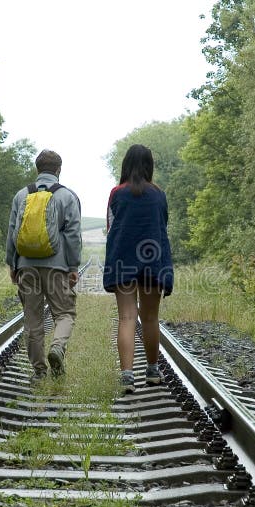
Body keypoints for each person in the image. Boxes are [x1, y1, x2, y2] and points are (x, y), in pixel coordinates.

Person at [6, 149, 82, 383]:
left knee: (33, 319)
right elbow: (72, 235)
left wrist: (12, 263)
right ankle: (57, 348)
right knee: (65, 313)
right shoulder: (67, 196)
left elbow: (12, 231)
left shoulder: (21, 195)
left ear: (37, 169)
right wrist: (72, 266)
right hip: (57, 266)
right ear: (58, 170)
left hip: (26, 266)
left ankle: (39, 372)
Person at [103, 144, 173, 393]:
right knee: (151, 317)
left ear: (126, 165)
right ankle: (153, 372)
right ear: (149, 166)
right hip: (153, 261)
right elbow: (163, 226)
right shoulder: (159, 194)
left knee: (127, 317)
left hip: (123, 262)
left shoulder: (116, 193)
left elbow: (110, 229)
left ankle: (127, 376)